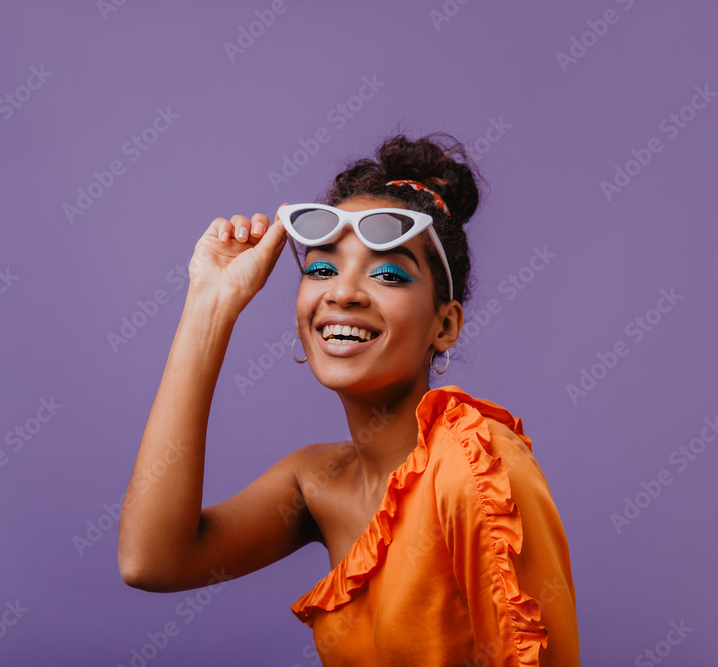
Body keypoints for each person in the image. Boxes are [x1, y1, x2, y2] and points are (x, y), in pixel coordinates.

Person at [117, 131, 581, 666]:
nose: (342, 292)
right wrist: (210, 304)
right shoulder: (317, 480)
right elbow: (151, 562)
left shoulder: (475, 467)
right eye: (321, 269)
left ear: (445, 325)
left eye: (387, 273)